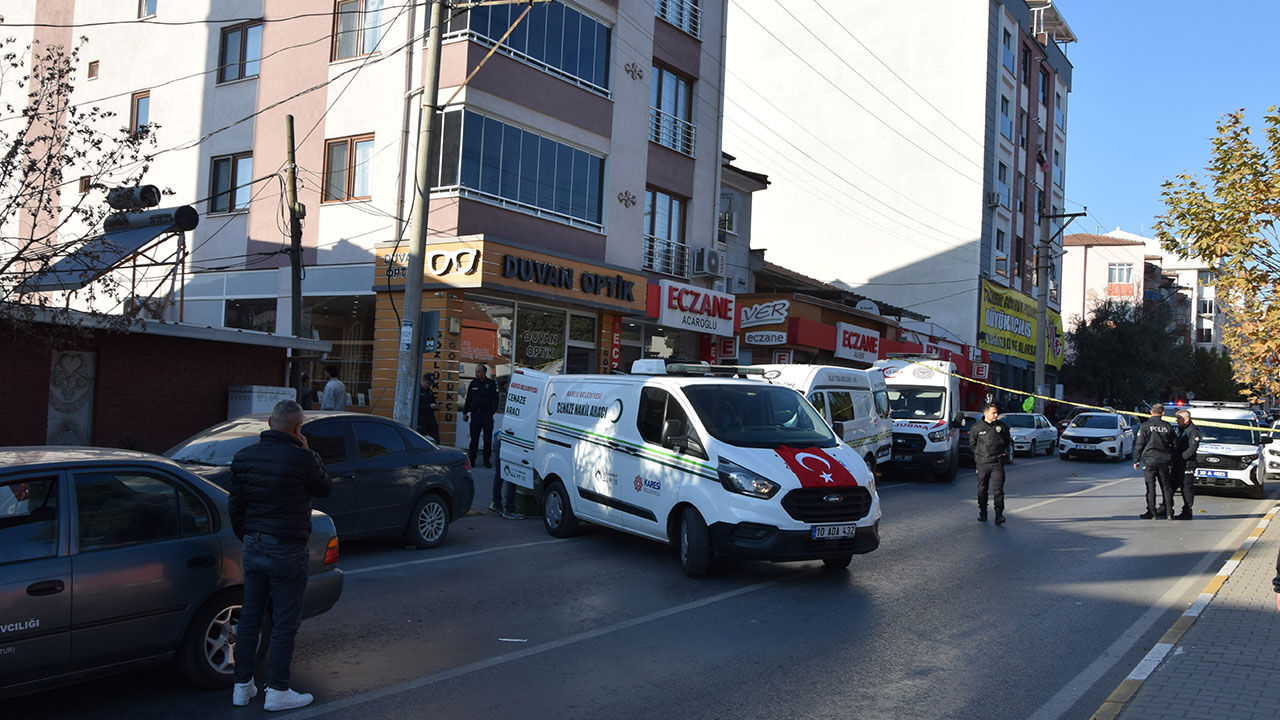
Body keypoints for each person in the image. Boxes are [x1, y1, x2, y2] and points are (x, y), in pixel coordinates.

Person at [228, 400, 332, 711]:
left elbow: (236, 506)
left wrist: (248, 535)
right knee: (285, 622)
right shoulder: (302, 458)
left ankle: (241, 686)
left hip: (254, 544)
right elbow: (324, 488)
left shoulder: (244, 457)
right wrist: (309, 451)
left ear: (270, 421)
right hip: (287, 547)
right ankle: (277, 690)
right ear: (298, 428)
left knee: (250, 617)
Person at [1133, 403, 1177, 520]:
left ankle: (1151, 513)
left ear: (1151, 412)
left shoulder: (1145, 426)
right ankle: (1169, 513)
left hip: (1150, 460)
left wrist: (1136, 460)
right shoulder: (1168, 426)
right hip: (1164, 461)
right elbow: (1174, 444)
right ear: (1163, 413)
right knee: (1166, 487)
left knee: (1150, 487)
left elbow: (1139, 444)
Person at [970, 403, 1011, 525]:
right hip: (982, 463)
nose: (996, 415)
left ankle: (999, 515)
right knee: (982, 490)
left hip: (997, 463)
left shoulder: (1001, 427)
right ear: (986, 413)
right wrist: (979, 455)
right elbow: (972, 444)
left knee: (998, 490)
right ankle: (983, 513)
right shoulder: (976, 427)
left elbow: (1007, 441)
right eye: (993, 413)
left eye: (996, 412)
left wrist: (1002, 453)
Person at [462, 364, 500, 468]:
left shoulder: (491, 384)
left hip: (486, 415)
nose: (476, 373)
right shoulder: (473, 383)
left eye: (479, 372)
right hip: (475, 415)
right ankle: (472, 460)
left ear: (484, 372)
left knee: (487, 439)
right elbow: (468, 399)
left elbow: (495, 399)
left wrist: (491, 411)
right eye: (476, 371)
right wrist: (465, 412)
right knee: (474, 439)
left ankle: (486, 461)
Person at [1170, 409, 1201, 519]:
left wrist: (1181, 458)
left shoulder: (1193, 431)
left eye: (1179, 418)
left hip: (1187, 464)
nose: (1176, 420)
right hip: (1177, 464)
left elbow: (1192, 449)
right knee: (1170, 486)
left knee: (1186, 488)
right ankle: (1166, 507)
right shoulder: (1181, 430)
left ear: (1186, 419)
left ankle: (1187, 511)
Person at [417, 372, 440, 442]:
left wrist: (436, 406)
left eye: (431, 384)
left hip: (431, 419)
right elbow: (416, 407)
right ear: (423, 380)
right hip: (421, 419)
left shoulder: (430, 392)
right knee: (420, 440)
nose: (429, 385)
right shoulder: (418, 391)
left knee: (436, 440)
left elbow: (433, 402)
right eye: (428, 383)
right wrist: (429, 406)